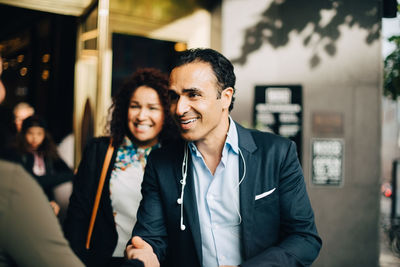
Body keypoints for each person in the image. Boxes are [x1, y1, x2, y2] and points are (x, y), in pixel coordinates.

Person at [125, 48, 322, 267]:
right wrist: (145, 255)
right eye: (174, 97)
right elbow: (151, 238)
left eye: (193, 94)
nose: (179, 109)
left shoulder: (277, 153)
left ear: (225, 97)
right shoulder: (161, 162)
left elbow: (304, 238)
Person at [64, 68, 176, 267]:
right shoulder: (99, 151)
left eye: (152, 108)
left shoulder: (174, 157)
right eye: (135, 106)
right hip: (103, 259)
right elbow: (78, 214)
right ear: (125, 109)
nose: (142, 115)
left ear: (166, 113)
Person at [13, 115, 74, 215]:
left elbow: (65, 169)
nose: (35, 138)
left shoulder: (47, 152)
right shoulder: (18, 155)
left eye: (39, 134)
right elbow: (34, 181)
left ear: (44, 135)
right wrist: (70, 176)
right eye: (30, 133)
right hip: (24, 203)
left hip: (46, 202)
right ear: (23, 134)